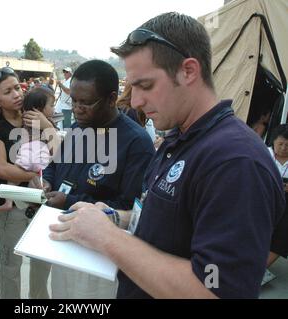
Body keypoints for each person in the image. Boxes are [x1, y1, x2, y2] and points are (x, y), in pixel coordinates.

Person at [49, 12, 285, 299]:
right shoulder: (179, 140)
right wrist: (115, 218)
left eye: (145, 85)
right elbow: (162, 222)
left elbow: (216, 289)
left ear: (188, 71)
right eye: (131, 86)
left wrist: (107, 238)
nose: (135, 101)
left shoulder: (236, 161)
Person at [42, 60, 155, 298]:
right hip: (63, 242)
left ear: (112, 98)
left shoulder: (136, 143)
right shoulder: (77, 129)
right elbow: (55, 165)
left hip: (98, 257)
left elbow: (130, 210)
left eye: (86, 102)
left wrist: (69, 200)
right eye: (73, 100)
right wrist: (48, 182)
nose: (77, 108)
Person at [0, 67, 55, 299]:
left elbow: (60, 154)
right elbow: (1, 168)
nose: (16, 94)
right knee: (10, 266)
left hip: (42, 206)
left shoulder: (36, 117)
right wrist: (37, 175)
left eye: (17, 87)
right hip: (12, 208)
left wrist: (48, 126)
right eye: (7, 91)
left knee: (42, 264)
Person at [0, 86, 58, 212]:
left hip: (26, 152)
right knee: (40, 182)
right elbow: (56, 145)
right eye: (52, 105)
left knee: (14, 179)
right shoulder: (48, 122)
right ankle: (35, 202)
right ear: (40, 109)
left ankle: (8, 202)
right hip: (42, 154)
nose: (54, 108)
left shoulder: (25, 118)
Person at [266, 124, 288, 267]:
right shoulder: (263, 153)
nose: (284, 147)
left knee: (284, 233)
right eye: (280, 143)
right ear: (273, 141)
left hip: (286, 204)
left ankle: (260, 269)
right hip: (264, 198)